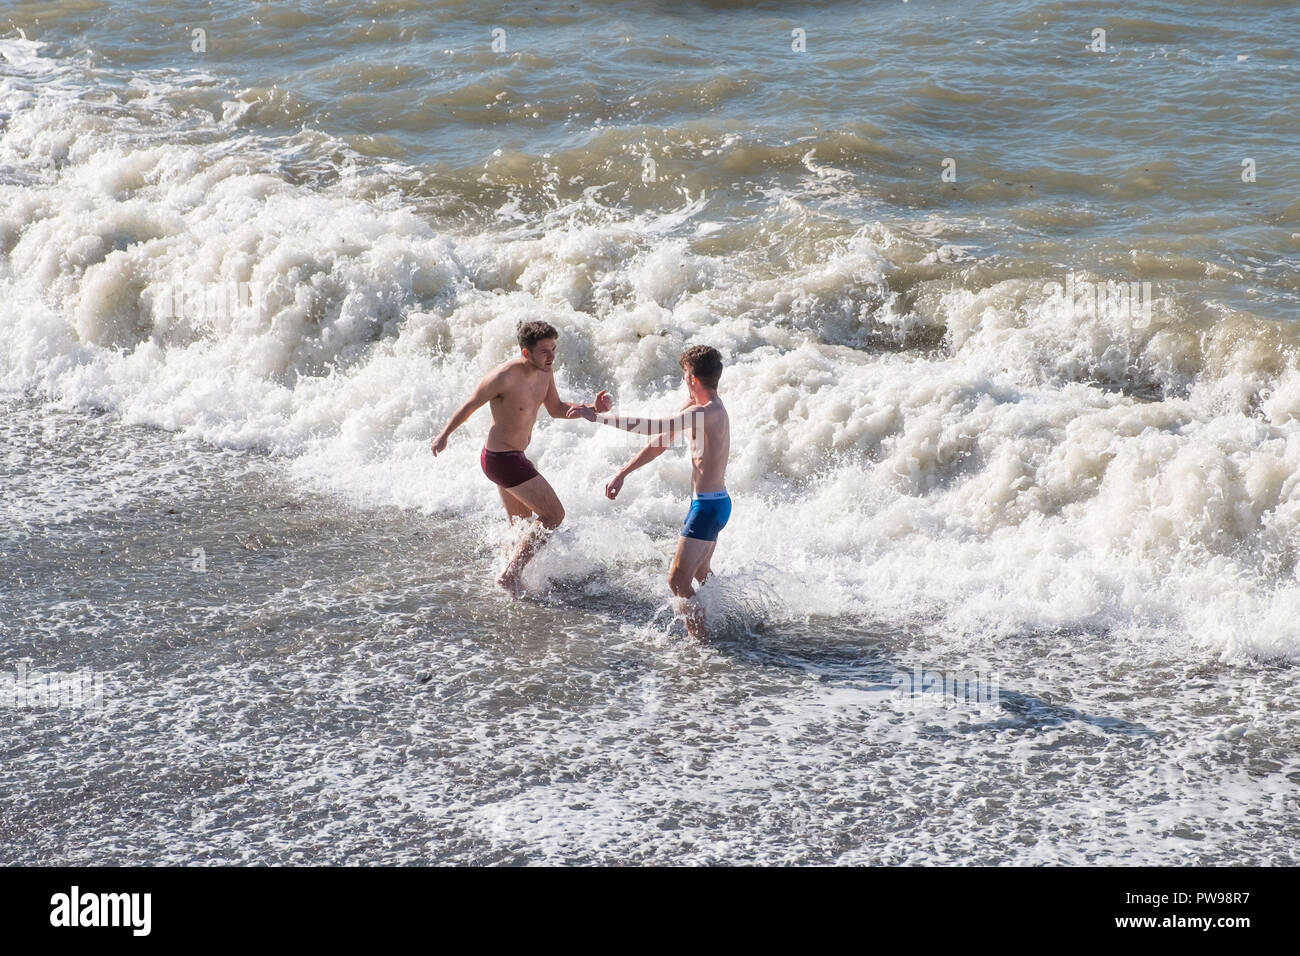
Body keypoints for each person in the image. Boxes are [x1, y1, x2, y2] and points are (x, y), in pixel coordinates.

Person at [431, 321, 610, 593]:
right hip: (501, 459)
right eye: (543, 351)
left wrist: (589, 407)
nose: (551, 356)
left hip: (514, 457)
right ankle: (510, 575)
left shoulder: (545, 373)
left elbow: (557, 408)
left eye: (553, 349)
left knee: (520, 526)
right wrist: (444, 435)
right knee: (553, 515)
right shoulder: (503, 377)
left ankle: (505, 571)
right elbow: (470, 405)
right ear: (526, 353)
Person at [568, 345, 730, 638]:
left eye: (685, 375)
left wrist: (598, 418)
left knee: (677, 583)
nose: (685, 381)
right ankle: (731, 622)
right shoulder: (697, 408)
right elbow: (661, 439)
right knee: (701, 575)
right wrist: (623, 472)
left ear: (692, 378)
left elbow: (651, 426)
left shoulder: (705, 412)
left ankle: (703, 648)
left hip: (707, 508)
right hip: (713, 504)